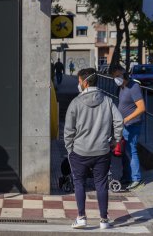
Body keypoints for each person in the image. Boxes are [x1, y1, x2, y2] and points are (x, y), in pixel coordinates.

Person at [64, 68, 123, 229]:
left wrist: (70, 148)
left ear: (85, 82)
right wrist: (114, 140)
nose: (78, 84)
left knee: (79, 183)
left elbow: (68, 130)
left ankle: (81, 217)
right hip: (102, 151)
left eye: (79, 81)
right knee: (101, 184)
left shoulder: (75, 102)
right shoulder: (108, 101)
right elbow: (119, 121)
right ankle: (104, 220)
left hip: (79, 151)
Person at [111, 66, 146, 190]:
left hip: (133, 125)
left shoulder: (133, 87)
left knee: (131, 150)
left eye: (118, 75)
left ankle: (136, 178)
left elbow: (141, 108)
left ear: (124, 74)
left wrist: (127, 119)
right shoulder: (121, 87)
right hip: (124, 125)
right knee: (124, 152)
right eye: (114, 76)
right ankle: (127, 176)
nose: (116, 78)